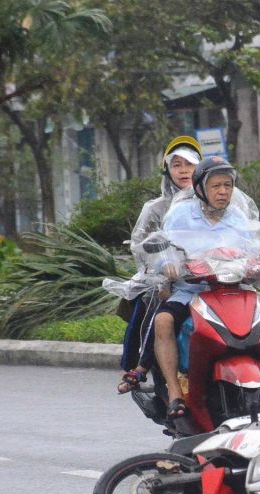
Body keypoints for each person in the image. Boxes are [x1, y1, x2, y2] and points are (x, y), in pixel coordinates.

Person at [153, 156, 260, 423]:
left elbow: (253, 249)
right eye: (216, 186)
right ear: (200, 188)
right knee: (163, 320)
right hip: (193, 292)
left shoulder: (238, 218)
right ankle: (174, 391)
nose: (223, 192)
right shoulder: (180, 216)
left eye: (228, 186)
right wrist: (168, 264)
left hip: (235, 291)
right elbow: (165, 248)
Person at [115, 135, 202, 394]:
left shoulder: (212, 202)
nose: (184, 170)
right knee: (153, 305)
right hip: (166, 279)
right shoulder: (156, 208)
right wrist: (163, 271)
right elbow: (141, 246)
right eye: (177, 164)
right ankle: (138, 366)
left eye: (190, 164)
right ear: (168, 170)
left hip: (206, 277)